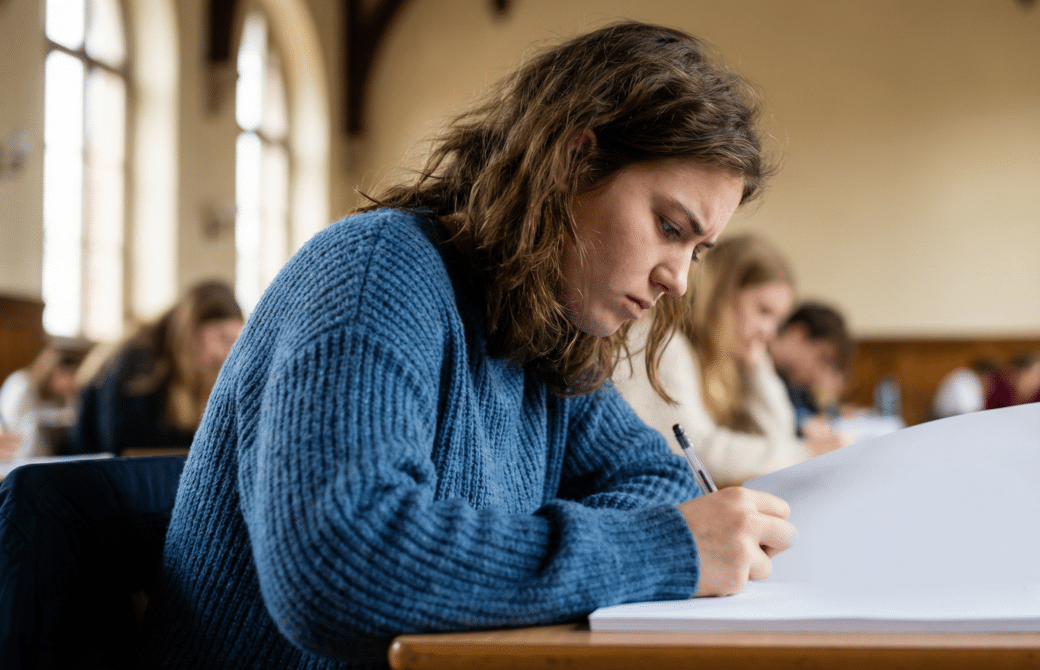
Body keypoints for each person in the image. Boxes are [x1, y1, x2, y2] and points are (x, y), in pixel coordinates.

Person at [141, 23, 798, 668]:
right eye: (667, 226)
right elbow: (343, 567)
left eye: (698, 251)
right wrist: (659, 552)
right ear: (573, 161)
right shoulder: (377, 273)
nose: (678, 281)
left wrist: (498, 562)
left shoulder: (545, 329)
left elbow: (656, 478)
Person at [614, 235, 840, 489]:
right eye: (763, 311)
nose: (770, 332)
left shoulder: (720, 358)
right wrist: (806, 453)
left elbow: (778, 436)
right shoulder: (662, 340)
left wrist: (757, 365)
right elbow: (698, 453)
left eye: (776, 320)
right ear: (720, 293)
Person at [70, 280, 243, 456]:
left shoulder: (189, 368)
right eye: (222, 338)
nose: (225, 354)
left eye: (233, 342)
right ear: (190, 328)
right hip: (91, 473)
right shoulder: (139, 358)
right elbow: (128, 445)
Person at [769, 302, 853, 434]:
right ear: (798, 335)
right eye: (822, 359)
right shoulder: (752, 365)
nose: (820, 375)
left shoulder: (791, 382)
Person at [0, 340, 90, 461]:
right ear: (51, 371)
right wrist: (61, 417)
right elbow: (18, 426)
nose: (69, 383)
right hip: (16, 454)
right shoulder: (23, 384)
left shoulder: (47, 393)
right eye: (66, 375)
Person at [930, 357, 999, 420]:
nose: (990, 388)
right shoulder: (966, 380)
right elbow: (970, 412)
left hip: (951, 418)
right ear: (987, 377)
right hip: (945, 421)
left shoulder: (965, 376)